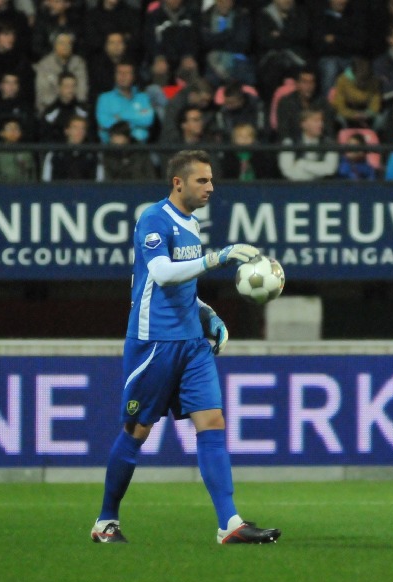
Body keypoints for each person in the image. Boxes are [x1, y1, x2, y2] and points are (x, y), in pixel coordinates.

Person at [90, 149, 282, 546]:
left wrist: (206, 313)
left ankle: (229, 523)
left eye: (211, 180)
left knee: (212, 423)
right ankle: (106, 521)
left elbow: (182, 285)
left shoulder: (191, 223)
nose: (211, 187)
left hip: (192, 344)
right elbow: (160, 273)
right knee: (136, 430)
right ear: (178, 183)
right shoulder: (153, 219)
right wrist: (220, 257)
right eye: (202, 181)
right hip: (155, 343)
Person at [95, 60, 155, 143]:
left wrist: (120, 116)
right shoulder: (104, 98)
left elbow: (148, 120)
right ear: (115, 76)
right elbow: (104, 123)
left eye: (127, 73)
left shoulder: (143, 97)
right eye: (120, 73)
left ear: (133, 76)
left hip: (140, 148)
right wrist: (136, 118)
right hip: (110, 149)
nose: (123, 76)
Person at [277, 108, 339, 180]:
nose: (321, 124)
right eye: (316, 121)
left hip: (321, 188)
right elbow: (287, 172)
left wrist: (302, 164)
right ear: (304, 124)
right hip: (294, 187)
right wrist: (318, 171)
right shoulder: (290, 142)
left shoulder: (330, 143)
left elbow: (330, 169)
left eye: (321, 121)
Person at [41, 115, 103, 180]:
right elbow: (46, 180)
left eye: (82, 128)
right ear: (66, 130)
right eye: (75, 128)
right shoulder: (54, 153)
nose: (79, 132)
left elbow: (99, 181)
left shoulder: (94, 154)